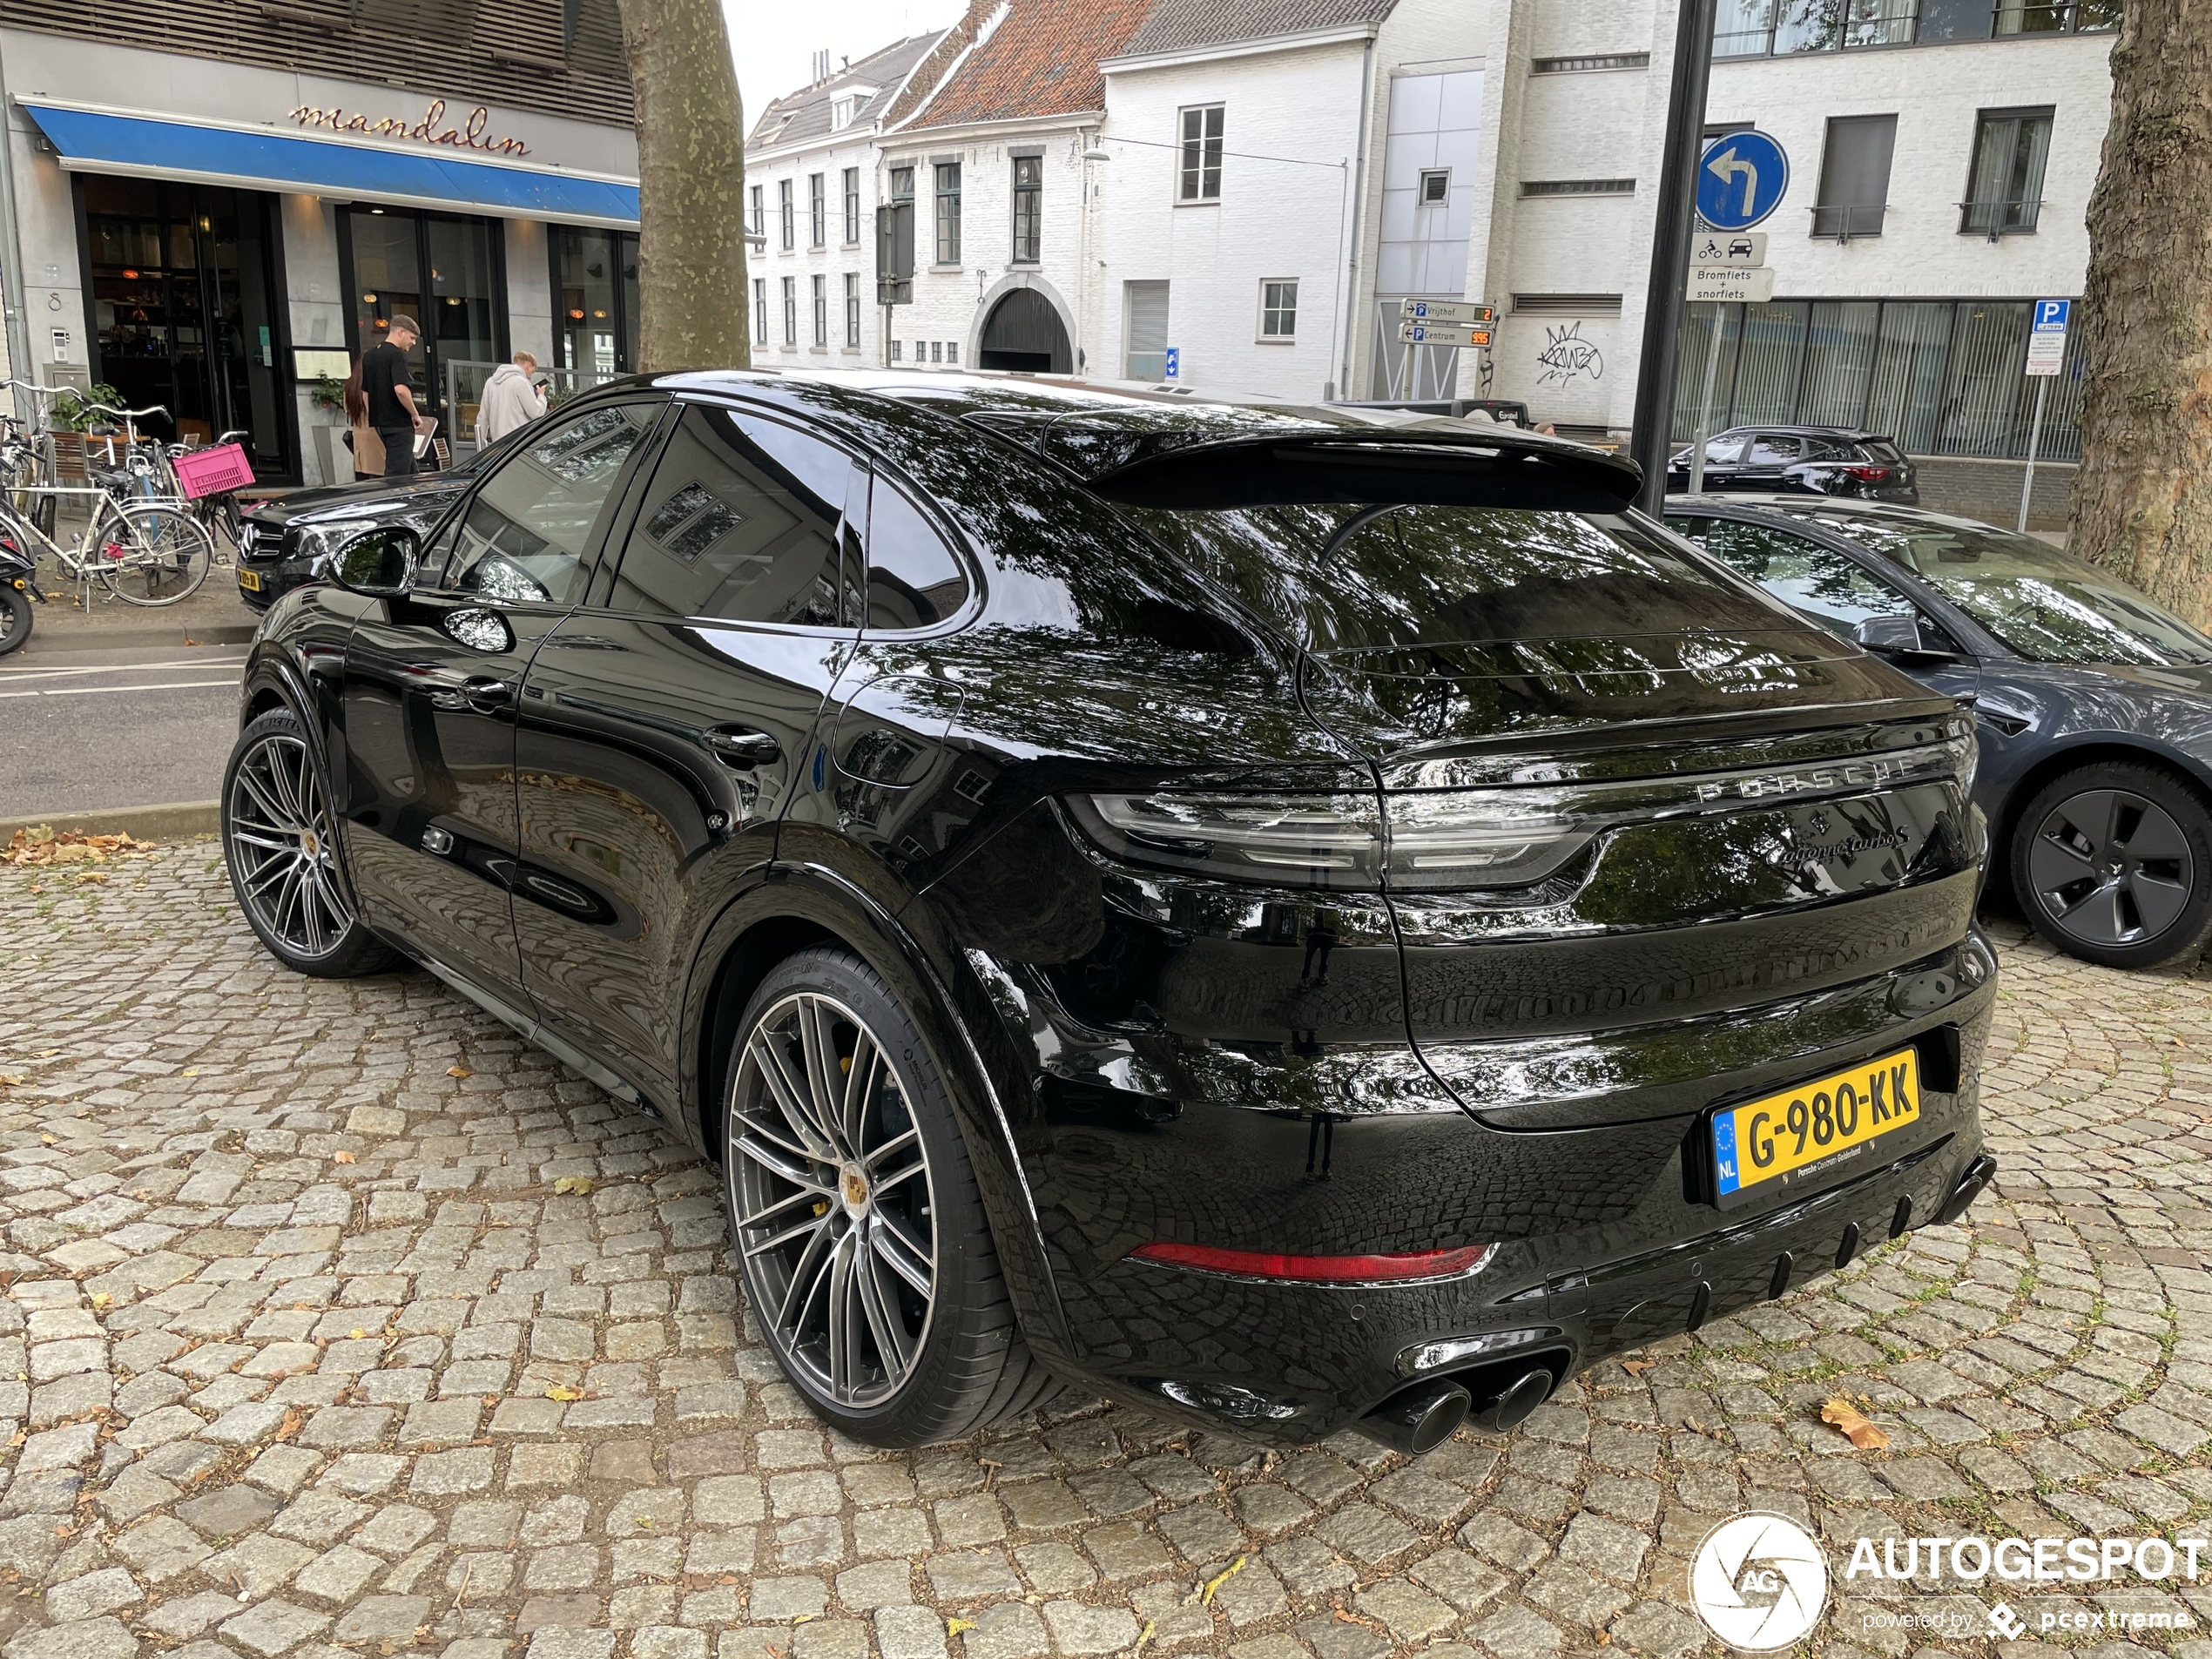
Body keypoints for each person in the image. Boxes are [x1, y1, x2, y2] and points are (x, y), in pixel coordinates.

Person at [361, 316, 428, 478]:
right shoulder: (396, 355)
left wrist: (373, 415)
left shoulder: (370, 355)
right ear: (400, 332)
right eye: (412, 338)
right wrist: (415, 414)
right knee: (397, 476)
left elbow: (365, 393)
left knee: (410, 470)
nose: (413, 343)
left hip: (380, 423)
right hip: (398, 423)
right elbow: (401, 390)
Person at [476, 351, 548, 448]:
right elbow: (536, 412)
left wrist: (480, 446)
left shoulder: (490, 383)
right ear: (528, 365)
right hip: (518, 445)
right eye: (533, 370)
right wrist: (541, 396)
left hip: (498, 445)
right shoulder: (521, 382)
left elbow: (483, 417)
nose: (531, 375)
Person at [341, 361, 382, 478]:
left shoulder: (350, 386)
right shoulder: (373, 385)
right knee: (379, 477)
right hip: (375, 435)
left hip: (359, 436)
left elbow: (347, 410)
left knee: (364, 477)